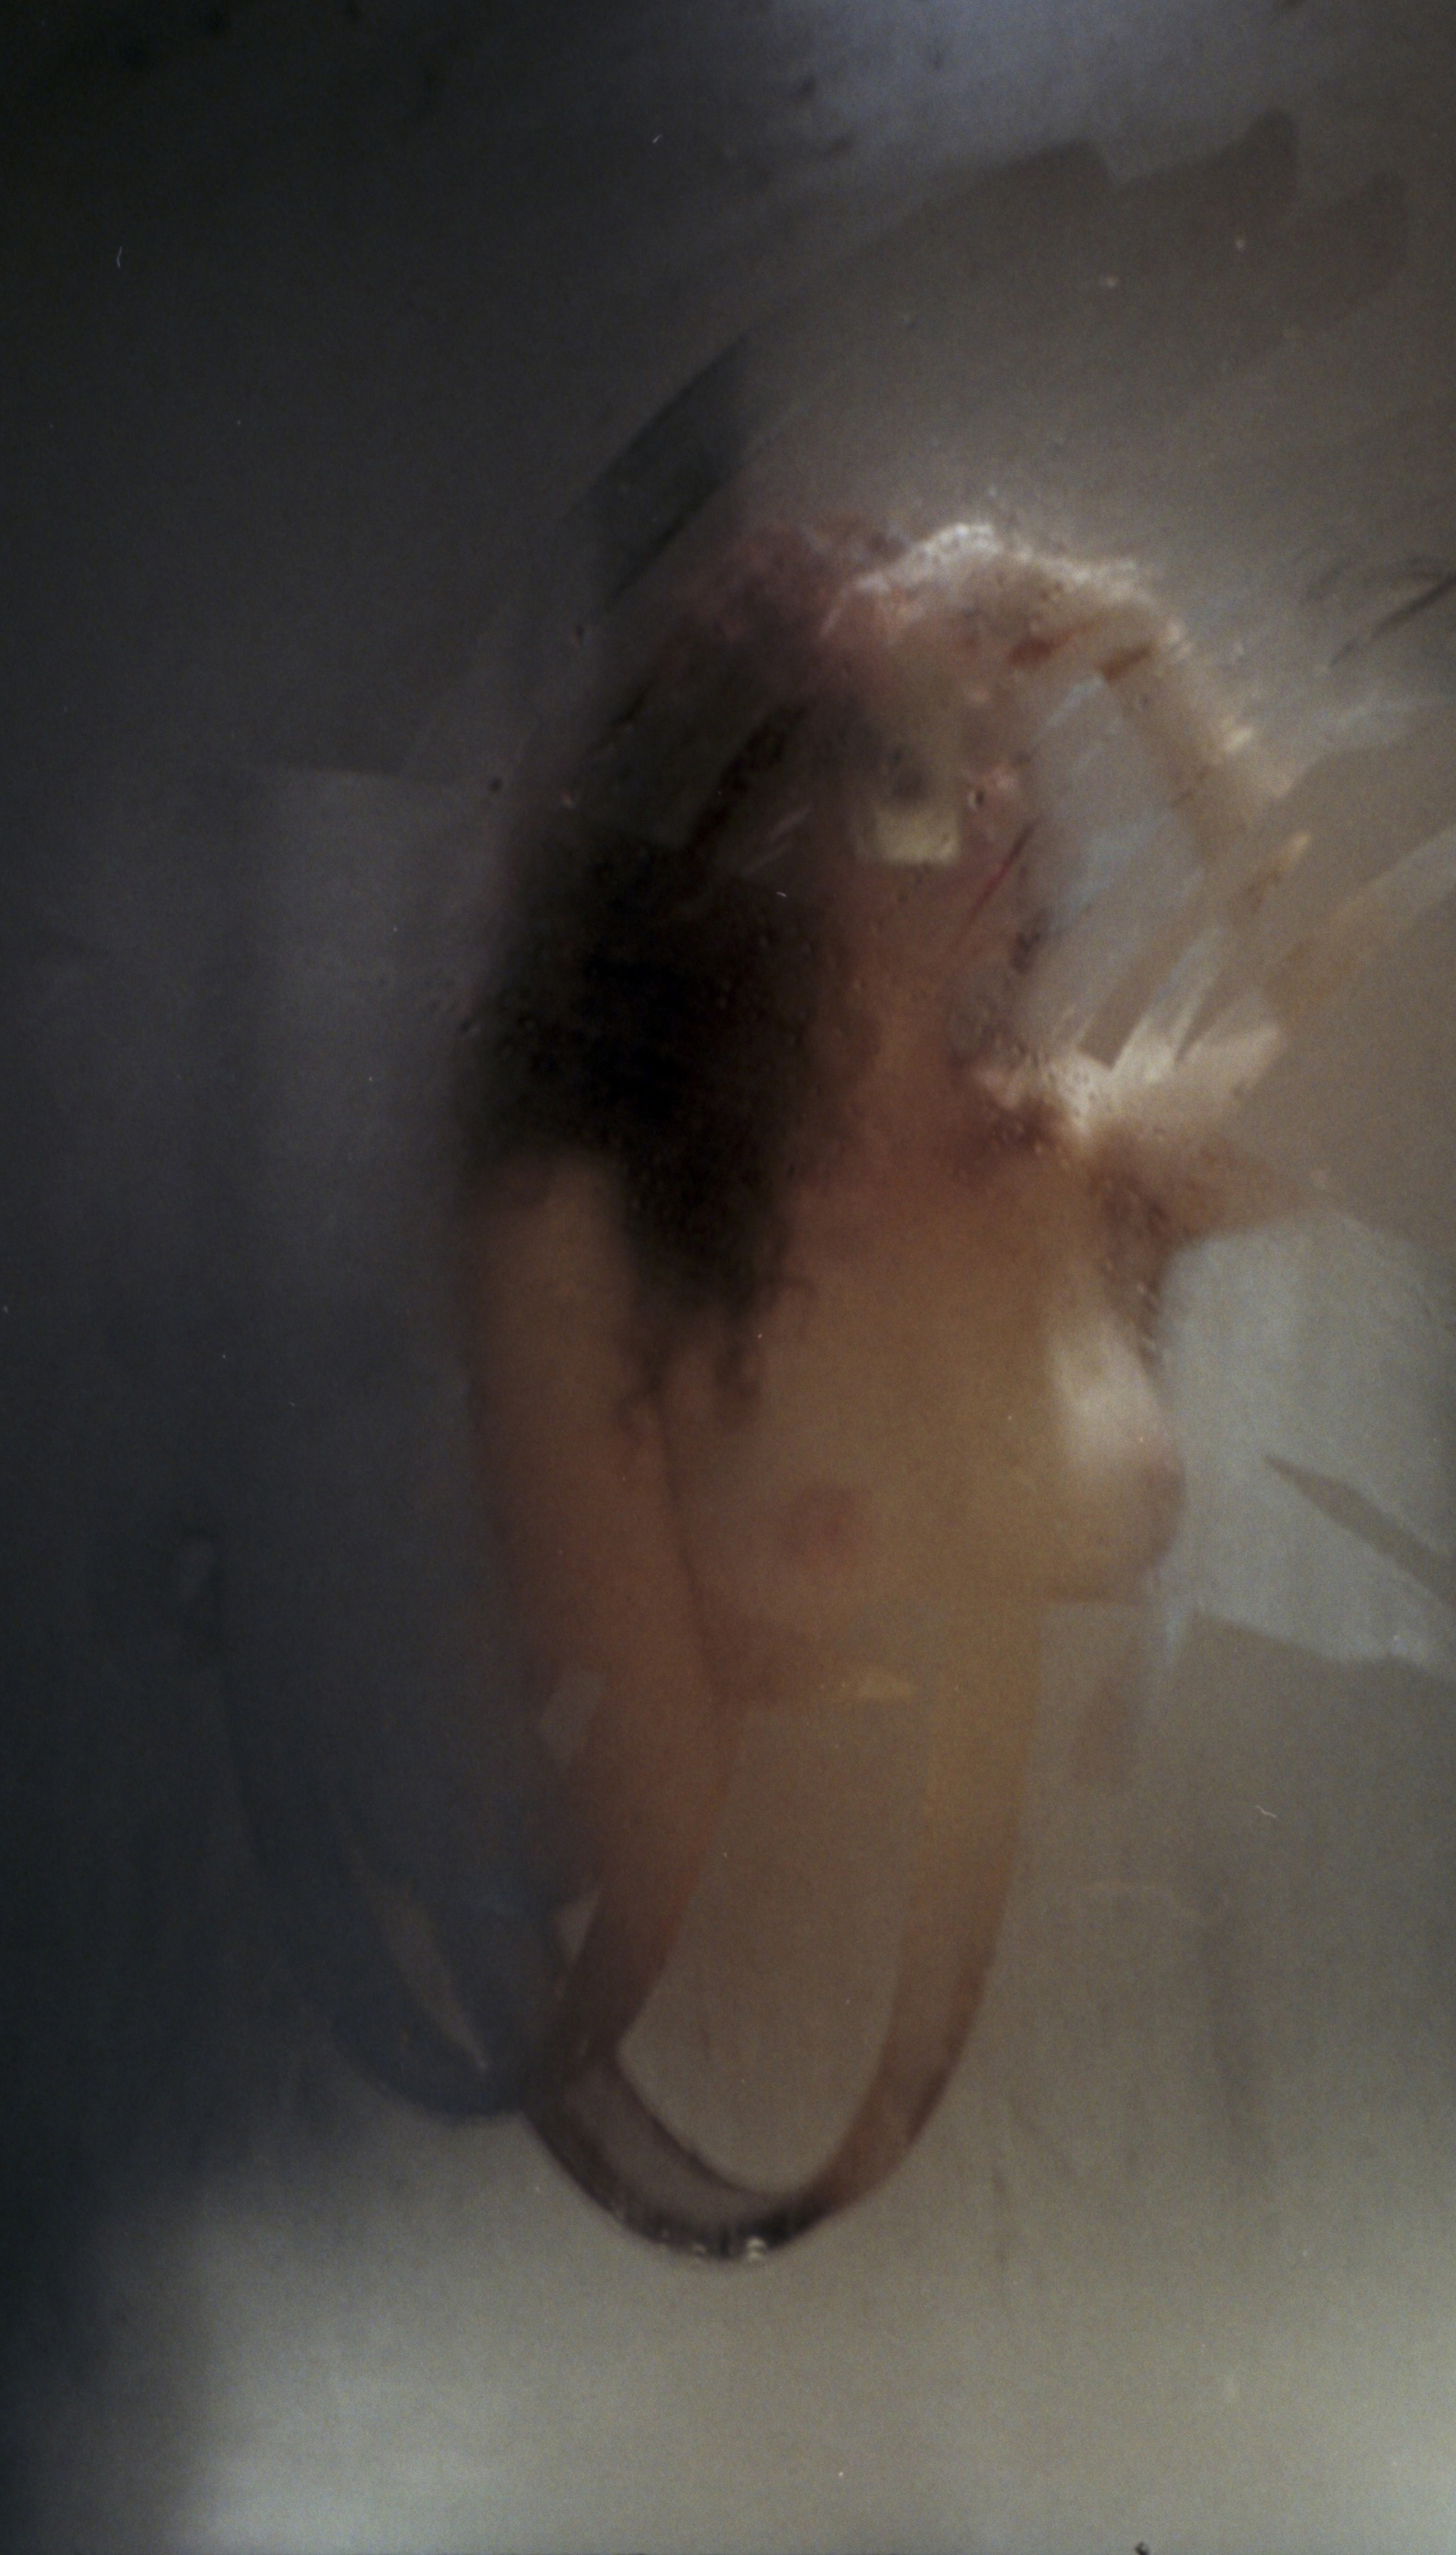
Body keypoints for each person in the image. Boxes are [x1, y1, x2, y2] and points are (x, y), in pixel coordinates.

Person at [457, 515, 1375, 2247]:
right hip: (779, 2158)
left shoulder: (1072, 1149)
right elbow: (645, 1824)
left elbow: (1338, 968)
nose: (987, 801)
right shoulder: (593, 1234)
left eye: (1002, 748)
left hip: (1164, 2138)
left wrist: (1137, 638)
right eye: (902, 759)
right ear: (759, 820)